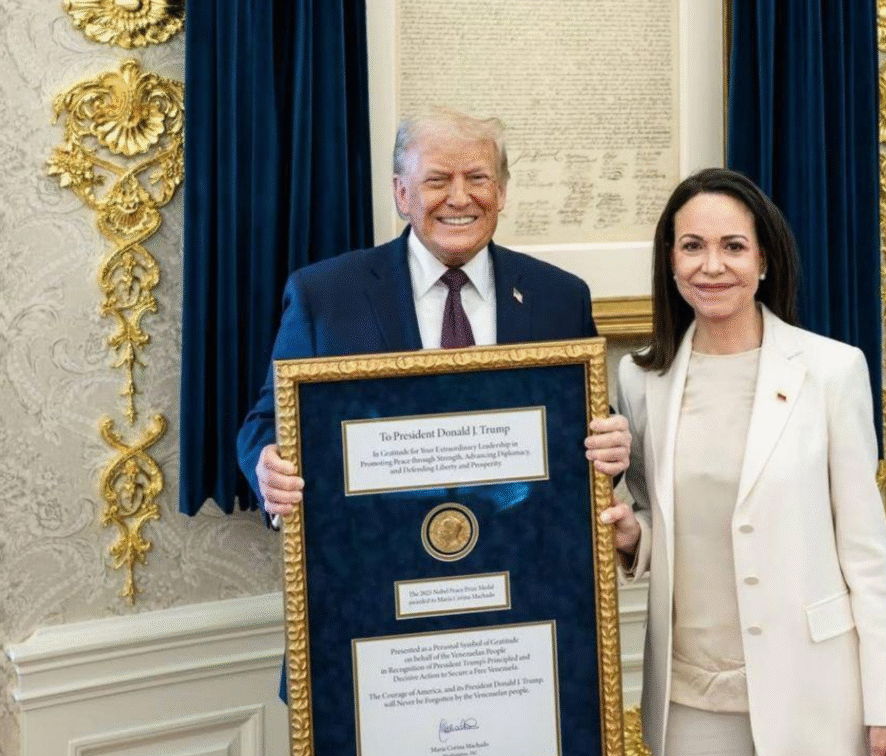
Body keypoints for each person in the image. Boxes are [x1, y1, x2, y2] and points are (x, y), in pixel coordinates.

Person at [598, 168, 886, 756]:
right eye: (692, 246)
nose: (711, 265)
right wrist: (634, 536)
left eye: (733, 246)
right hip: (689, 699)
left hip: (812, 693)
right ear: (671, 260)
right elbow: (666, 520)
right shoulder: (642, 377)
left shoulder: (831, 370)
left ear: (764, 259)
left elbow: (865, 555)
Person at [237, 109, 630, 509]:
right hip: (377, 551)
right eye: (437, 180)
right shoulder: (325, 296)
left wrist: (611, 448)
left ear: (502, 191)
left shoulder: (559, 297)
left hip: (521, 548)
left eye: (477, 178)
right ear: (402, 194)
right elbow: (269, 423)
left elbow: (583, 427)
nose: (460, 198)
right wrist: (267, 467)